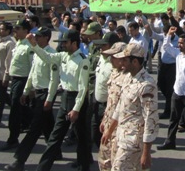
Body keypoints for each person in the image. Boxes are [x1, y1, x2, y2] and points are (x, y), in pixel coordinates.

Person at [28, 29, 92, 171]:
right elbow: (47, 58)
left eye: (65, 42)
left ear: (74, 43)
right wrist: (34, 45)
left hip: (77, 100)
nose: (62, 45)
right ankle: (42, 168)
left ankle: (84, 166)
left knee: (81, 137)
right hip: (65, 98)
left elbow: (83, 88)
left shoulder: (83, 60)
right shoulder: (63, 56)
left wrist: (76, 109)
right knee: (55, 137)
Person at [5, 27, 61, 171]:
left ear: (46, 38)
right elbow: (32, 73)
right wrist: (26, 91)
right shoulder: (37, 52)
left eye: (39, 36)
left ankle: (19, 160)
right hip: (37, 93)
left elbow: (54, 80)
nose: (36, 39)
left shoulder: (52, 54)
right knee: (47, 124)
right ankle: (56, 151)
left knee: (35, 128)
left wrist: (49, 99)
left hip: (46, 94)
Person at [101, 43, 159, 171]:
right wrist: (109, 131)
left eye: (125, 60)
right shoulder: (128, 77)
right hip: (121, 136)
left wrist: (146, 152)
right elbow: (119, 107)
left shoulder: (147, 85)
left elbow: (150, 119)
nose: (121, 63)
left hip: (133, 142)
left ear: (135, 62)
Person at [1, 19, 34, 151]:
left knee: (15, 109)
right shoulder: (18, 44)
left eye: (18, 29)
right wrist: (7, 77)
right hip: (15, 80)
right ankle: (32, 122)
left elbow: (32, 67)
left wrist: (31, 87)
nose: (15, 31)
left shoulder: (29, 47)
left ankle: (13, 138)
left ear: (26, 31)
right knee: (20, 107)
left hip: (23, 80)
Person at [97, 42, 127, 171]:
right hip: (109, 124)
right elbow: (111, 101)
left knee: (118, 164)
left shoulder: (128, 77)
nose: (111, 59)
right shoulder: (114, 72)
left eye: (114, 57)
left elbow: (123, 107)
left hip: (121, 128)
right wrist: (105, 119)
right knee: (104, 161)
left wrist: (111, 129)